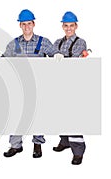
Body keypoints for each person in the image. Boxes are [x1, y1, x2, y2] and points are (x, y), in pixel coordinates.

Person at [2, 9, 58, 159]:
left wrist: (58, 56)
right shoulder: (14, 43)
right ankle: (15, 145)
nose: (26, 26)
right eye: (23, 24)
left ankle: (37, 145)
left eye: (29, 23)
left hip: (39, 86)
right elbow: (3, 61)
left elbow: (56, 57)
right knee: (16, 115)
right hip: (18, 87)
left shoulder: (44, 42)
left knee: (37, 115)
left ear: (33, 24)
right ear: (20, 25)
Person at [52, 11, 87, 165]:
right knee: (59, 114)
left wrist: (63, 58)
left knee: (73, 117)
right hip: (58, 83)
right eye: (66, 26)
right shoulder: (57, 42)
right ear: (62, 26)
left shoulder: (80, 42)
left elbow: (75, 61)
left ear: (76, 26)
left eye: (71, 26)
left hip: (74, 84)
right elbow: (51, 55)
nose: (68, 28)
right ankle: (65, 141)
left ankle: (78, 151)